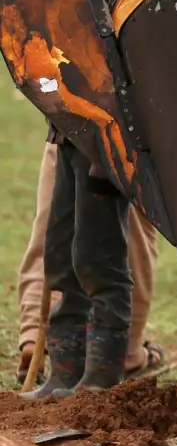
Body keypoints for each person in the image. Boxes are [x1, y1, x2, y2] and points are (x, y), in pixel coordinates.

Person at [17, 134, 165, 386]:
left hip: (71, 114)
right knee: (111, 246)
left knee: (56, 236)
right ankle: (120, 357)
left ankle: (38, 341)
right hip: (110, 127)